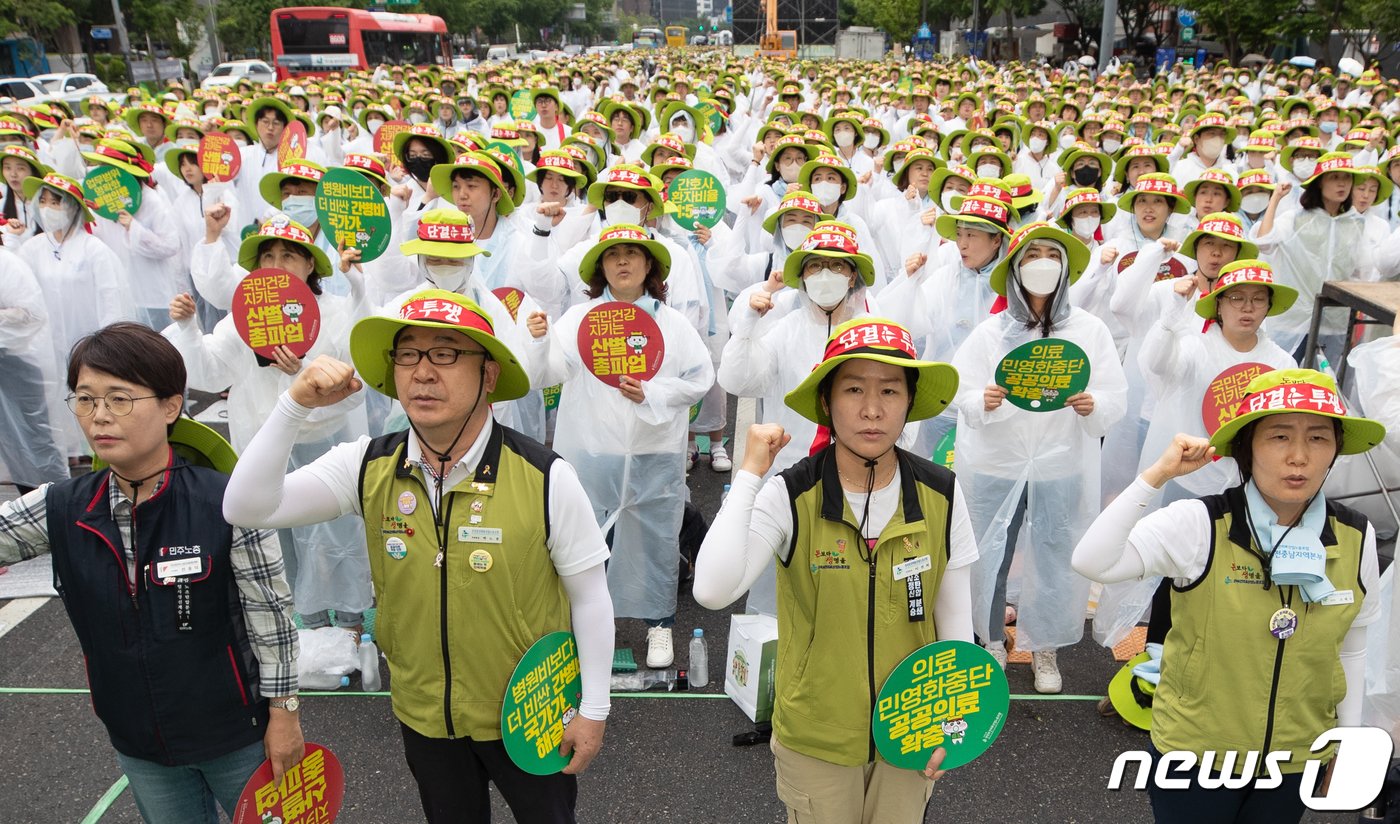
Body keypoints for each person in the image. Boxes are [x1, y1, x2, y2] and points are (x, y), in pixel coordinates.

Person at [221, 290, 614, 823]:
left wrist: (594, 709)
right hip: (425, 716)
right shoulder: (367, 465)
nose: (423, 373)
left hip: (529, 710)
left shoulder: (545, 475)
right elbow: (246, 505)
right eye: (408, 354)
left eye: (447, 353)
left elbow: (590, 595)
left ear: (489, 375)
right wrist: (293, 406)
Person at [0, 323, 302, 823]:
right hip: (138, 742)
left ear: (170, 406)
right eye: (85, 398)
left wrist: (284, 713)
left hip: (237, 734)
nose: (99, 417)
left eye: (119, 399)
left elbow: (270, 613)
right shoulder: (64, 506)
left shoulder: (226, 502)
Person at [694, 316, 977, 822]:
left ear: (910, 400)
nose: (872, 410)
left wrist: (952, 725)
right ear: (826, 402)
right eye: (853, 389)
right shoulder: (791, 493)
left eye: (890, 390)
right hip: (815, 737)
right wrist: (751, 472)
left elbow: (954, 627)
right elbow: (713, 589)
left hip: (910, 732)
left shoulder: (943, 492)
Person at [1072, 368, 1385, 823]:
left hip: (1294, 758)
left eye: (1318, 438)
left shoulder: (1355, 535)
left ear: (1336, 449)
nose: (1299, 456)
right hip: (1196, 756)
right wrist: (1157, 475)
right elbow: (1092, 561)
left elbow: (1353, 647)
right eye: (1279, 436)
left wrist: (1347, 740)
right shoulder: (1200, 524)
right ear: (1246, 446)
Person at [949, 222, 1127, 690]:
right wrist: (979, 401)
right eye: (1030, 255)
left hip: (1059, 461)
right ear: (1014, 267)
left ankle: (1044, 647)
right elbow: (958, 389)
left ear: (1066, 267)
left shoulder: (1089, 330)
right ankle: (989, 640)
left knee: (1055, 552)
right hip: (997, 461)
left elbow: (1114, 393)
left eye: (1052, 253)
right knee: (989, 553)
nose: (1041, 264)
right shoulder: (992, 333)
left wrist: (1096, 405)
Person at [530, 224, 713, 668]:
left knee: (655, 536)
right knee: (586, 539)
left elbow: (700, 378)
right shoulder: (579, 318)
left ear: (649, 265)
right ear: (600, 268)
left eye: (634, 253)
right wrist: (539, 340)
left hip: (654, 450)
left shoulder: (672, 324)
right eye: (614, 256)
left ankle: (659, 624)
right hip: (592, 450)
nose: (624, 262)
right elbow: (550, 372)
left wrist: (654, 392)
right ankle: (587, 626)